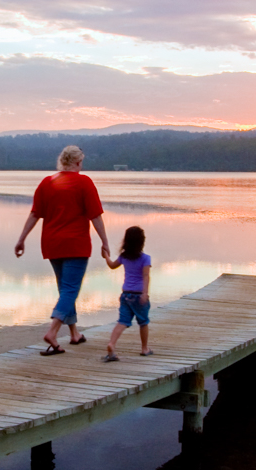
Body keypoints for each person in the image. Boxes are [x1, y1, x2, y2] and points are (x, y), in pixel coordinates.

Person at [14, 145, 109, 354]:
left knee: (65, 289)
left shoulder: (47, 183)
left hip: (52, 244)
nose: (82, 166)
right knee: (70, 290)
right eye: (81, 163)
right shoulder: (84, 182)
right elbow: (95, 216)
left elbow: (34, 214)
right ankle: (52, 332)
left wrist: (21, 239)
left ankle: (74, 334)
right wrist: (105, 241)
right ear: (77, 162)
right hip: (76, 244)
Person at [101, 225, 152, 361]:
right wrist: (145, 294)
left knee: (122, 321)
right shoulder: (145, 258)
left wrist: (106, 256)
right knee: (143, 322)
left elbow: (112, 265)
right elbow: (146, 276)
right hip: (138, 294)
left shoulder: (124, 257)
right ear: (142, 242)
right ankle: (144, 348)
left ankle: (112, 344)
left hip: (125, 295)